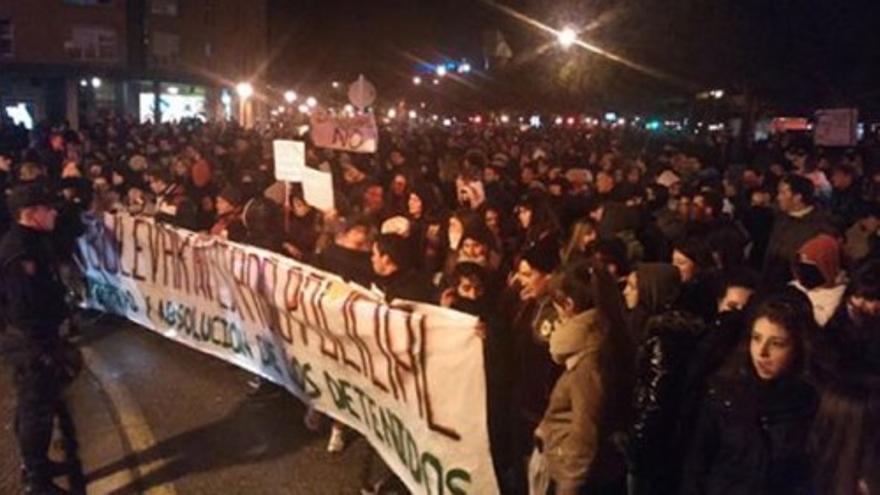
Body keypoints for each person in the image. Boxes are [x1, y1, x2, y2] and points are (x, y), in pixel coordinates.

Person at [682, 294, 818, 495]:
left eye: (777, 343)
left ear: (798, 348)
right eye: (756, 338)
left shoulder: (809, 402)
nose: (761, 352)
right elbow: (697, 465)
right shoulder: (723, 392)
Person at [0, 183, 83, 494]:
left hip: (32, 339)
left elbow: (73, 230)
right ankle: (37, 479)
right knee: (36, 408)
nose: (53, 214)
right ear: (31, 213)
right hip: (31, 341)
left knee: (33, 404)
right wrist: (45, 339)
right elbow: (25, 305)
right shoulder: (21, 253)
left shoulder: (32, 240)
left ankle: (37, 463)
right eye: (48, 209)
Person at [531, 263, 627, 495]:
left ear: (568, 305)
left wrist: (568, 487)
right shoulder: (600, 338)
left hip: (571, 473)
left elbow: (585, 430)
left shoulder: (588, 361)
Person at [763, 174, 836, 290]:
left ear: (798, 197)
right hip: (771, 284)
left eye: (783, 193)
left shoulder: (820, 226)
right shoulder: (780, 218)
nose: (778, 197)